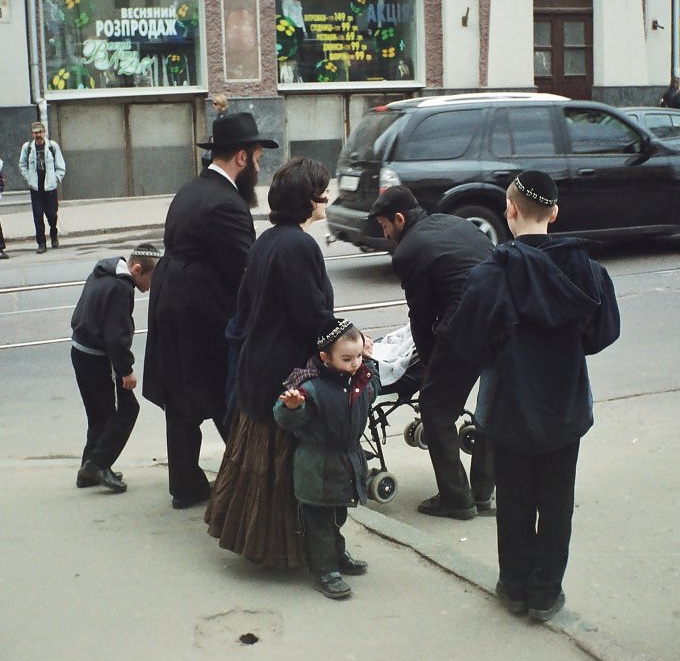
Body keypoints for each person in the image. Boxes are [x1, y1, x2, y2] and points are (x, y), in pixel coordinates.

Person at [442, 170, 620, 623]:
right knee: (558, 503)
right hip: (564, 407)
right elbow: (602, 334)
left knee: (514, 501)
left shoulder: (491, 274)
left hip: (509, 407)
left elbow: (466, 343)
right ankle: (545, 594)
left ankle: (514, 587)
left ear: (510, 211)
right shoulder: (586, 269)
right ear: (555, 213)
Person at [205, 156, 335, 568]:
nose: (327, 198)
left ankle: (268, 543)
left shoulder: (268, 239)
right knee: (286, 468)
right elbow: (310, 315)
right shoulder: (299, 245)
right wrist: (348, 340)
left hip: (257, 366)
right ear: (307, 199)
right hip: (285, 372)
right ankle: (291, 551)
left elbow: (247, 306)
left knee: (257, 467)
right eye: (321, 191)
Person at [143, 112, 276, 510]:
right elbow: (245, 271)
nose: (259, 165)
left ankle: (185, 484)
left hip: (172, 304)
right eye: (256, 157)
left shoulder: (191, 189)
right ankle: (249, 479)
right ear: (240, 157)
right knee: (226, 393)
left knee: (182, 399)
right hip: (201, 313)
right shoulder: (226, 204)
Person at [370, 186, 495, 519]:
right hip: (503, 319)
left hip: (465, 329)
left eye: (384, 226)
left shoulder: (408, 251)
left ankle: (457, 500)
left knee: (435, 409)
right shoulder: (451, 223)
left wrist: (427, 364)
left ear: (399, 219)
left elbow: (421, 315)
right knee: (491, 405)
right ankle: (483, 493)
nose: (384, 234)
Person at [275, 319, 379, 599]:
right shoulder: (309, 386)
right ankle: (325, 570)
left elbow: (373, 391)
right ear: (325, 358)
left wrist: (371, 364)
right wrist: (292, 407)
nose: (355, 363)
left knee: (337, 515)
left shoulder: (358, 378)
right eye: (347, 358)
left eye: (358, 356)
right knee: (319, 522)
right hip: (317, 466)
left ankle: (337, 553)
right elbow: (284, 418)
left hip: (345, 462)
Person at [71, 242, 162, 492]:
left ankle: (87, 470)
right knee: (127, 410)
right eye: (151, 279)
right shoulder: (121, 288)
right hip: (98, 358)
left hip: (80, 351)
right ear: (136, 269)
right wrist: (126, 370)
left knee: (99, 415)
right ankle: (98, 465)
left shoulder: (103, 272)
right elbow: (116, 335)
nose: (152, 286)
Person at [18, 121, 66, 253]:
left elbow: (60, 165)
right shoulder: (27, 148)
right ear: (32, 134)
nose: (38, 135)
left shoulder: (52, 146)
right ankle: (41, 243)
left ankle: (53, 234)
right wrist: (29, 178)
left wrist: (56, 179)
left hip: (50, 187)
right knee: (38, 216)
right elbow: (22, 164)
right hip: (36, 188)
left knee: (52, 215)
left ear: (44, 132)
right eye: (35, 133)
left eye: (40, 132)